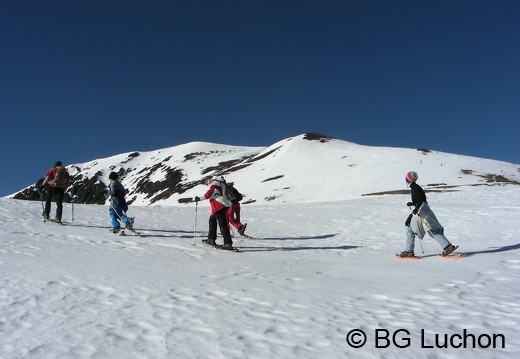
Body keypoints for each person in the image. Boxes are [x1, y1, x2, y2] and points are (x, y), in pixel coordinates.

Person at [400, 171, 458, 257]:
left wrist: (416, 207)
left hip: (421, 210)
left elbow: (420, 199)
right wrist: (413, 204)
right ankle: (447, 246)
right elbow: (421, 199)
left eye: (406, 179)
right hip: (424, 209)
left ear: (409, 180)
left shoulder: (414, 187)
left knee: (410, 229)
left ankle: (409, 251)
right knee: (431, 228)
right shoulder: (416, 187)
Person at [194, 176, 234, 250]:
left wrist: (199, 199)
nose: (207, 183)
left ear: (210, 179)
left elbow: (208, 194)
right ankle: (211, 239)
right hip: (222, 205)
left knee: (223, 225)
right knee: (212, 220)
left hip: (219, 206)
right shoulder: (220, 183)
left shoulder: (215, 183)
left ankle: (228, 243)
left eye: (207, 181)